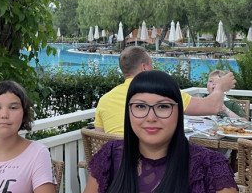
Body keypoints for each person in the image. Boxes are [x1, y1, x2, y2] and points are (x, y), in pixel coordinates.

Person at [43, 70, 252, 193]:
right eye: (140, 107)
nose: (151, 117)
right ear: (129, 112)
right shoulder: (111, 156)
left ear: (179, 112)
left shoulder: (207, 166)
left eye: (163, 107)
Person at [94, 47, 236, 134]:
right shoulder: (162, 90)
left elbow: (99, 139)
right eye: (152, 65)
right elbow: (212, 107)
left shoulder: (105, 100)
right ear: (144, 67)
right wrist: (220, 87)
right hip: (154, 167)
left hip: (116, 169)